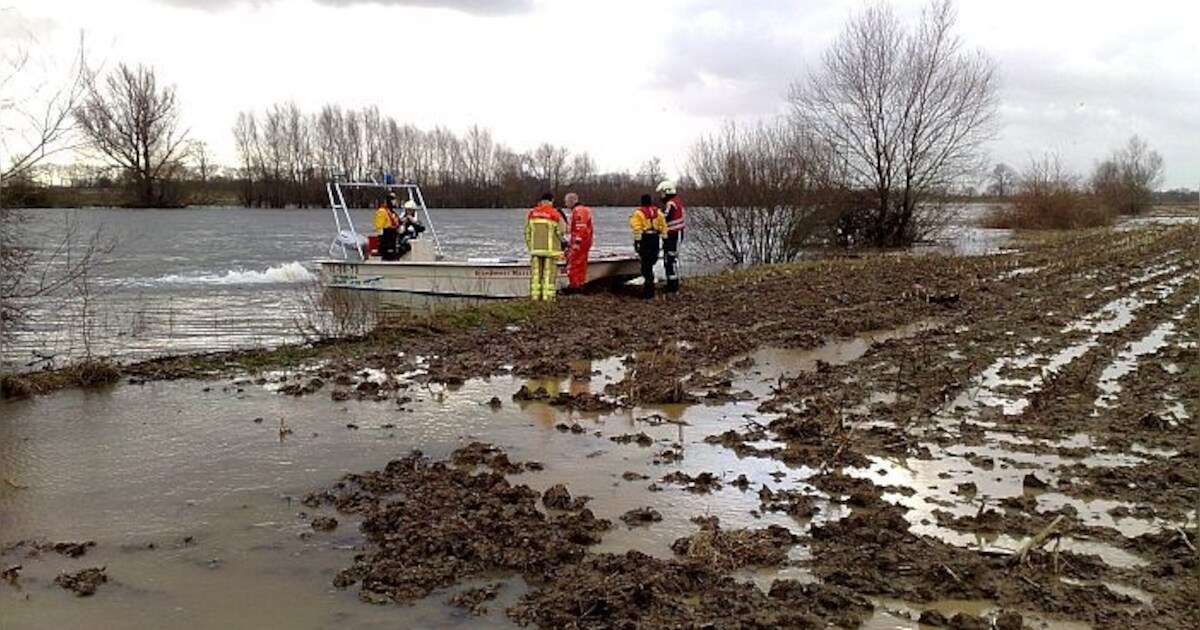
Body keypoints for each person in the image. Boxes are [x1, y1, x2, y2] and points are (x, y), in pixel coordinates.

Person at [525, 192, 564, 301]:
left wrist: (530, 246)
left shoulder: (532, 213)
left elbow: (527, 231)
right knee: (548, 276)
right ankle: (548, 299)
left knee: (536, 276)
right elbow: (561, 232)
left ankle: (535, 298)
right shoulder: (555, 214)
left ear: (541, 201)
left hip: (535, 250)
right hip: (550, 251)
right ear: (552, 200)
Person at [630, 193, 666, 300]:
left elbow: (637, 228)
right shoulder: (658, 212)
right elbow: (664, 226)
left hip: (645, 239)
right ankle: (650, 287)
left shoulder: (638, 213)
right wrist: (664, 240)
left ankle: (648, 290)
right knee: (651, 262)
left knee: (646, 265)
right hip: (655, 238)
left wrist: (637, 242)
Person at [657, 179, 686, 292]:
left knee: (669, 260)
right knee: (671, 259)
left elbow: (665, 217)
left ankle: (672, 286)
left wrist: (657, 215)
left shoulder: (670, 204)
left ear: (667, 192)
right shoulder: (678, 202)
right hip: (676, 234)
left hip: (672, 235)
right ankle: (672, 283)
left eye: (662, 193)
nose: (661, 196)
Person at [563, 192, 594, 293]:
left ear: (571, 201)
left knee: (574, 263)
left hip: (580, 241)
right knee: (581, 263)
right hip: (585, 240)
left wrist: (576, 243)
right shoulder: (584, 210)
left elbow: (580, 228)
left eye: (566, 201)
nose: (565, 204)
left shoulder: (578, 211)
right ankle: (580, 284)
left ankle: (575, 285)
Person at [373, 192, 402, 260]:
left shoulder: (392, 212)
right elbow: (379, 228)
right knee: (388, 254)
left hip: (393, 238)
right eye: (393, 200)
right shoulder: (382, 211)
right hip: (386, 239)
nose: (395, 202)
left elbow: (397, 222)